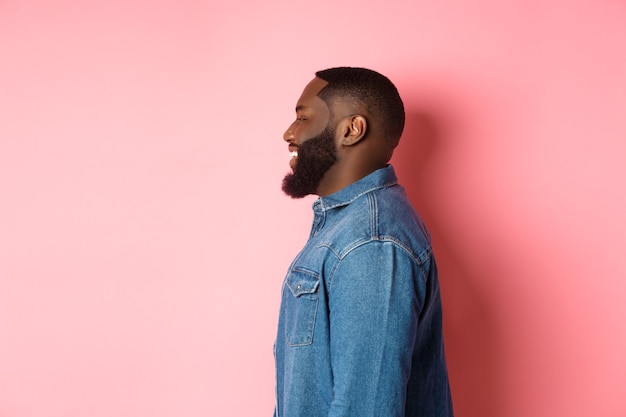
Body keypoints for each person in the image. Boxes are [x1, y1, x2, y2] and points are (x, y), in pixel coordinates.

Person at [274, 67, 454, 417]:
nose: (289, 133)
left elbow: (367, 408)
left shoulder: (371, 240)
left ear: (352, 130)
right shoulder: (348, 227)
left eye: (303, 118)